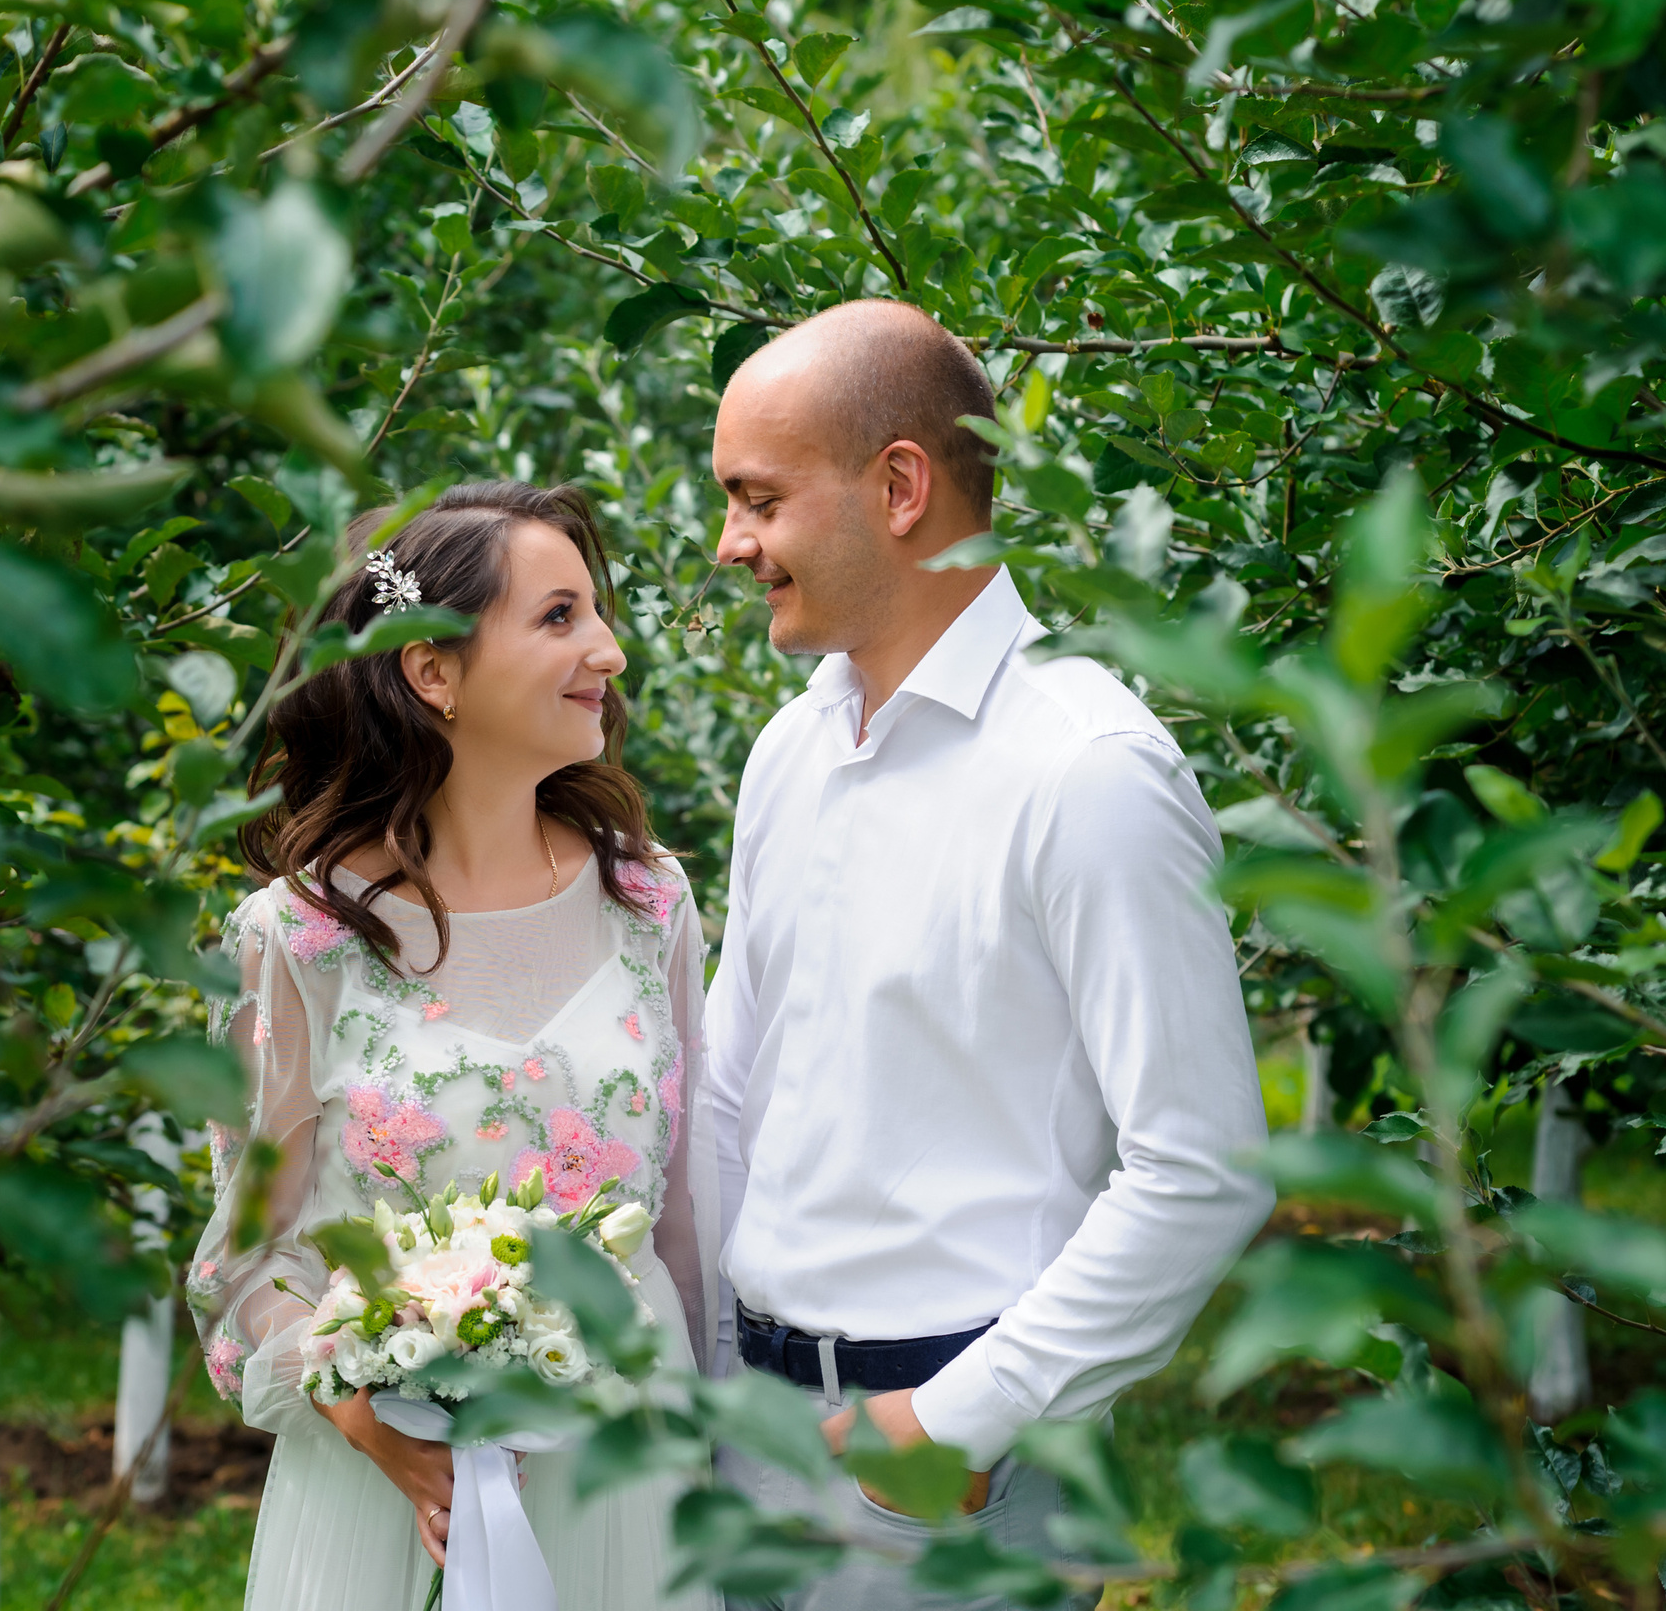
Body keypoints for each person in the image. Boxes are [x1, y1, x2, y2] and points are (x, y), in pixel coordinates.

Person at [703, 300, 1275, 1609]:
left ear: (899, 486)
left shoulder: (1086, 771)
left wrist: (960, 1422)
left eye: (758, 499)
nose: (732, 544)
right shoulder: (790, 750)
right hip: (751, 1433)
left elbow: (1205, 1167)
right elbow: (738, 1087)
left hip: (947, 1483)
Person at [189, 481, 719, 1611]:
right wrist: (366, 1416)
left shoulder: (650, 902)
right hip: (387, 1507)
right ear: (432, 670)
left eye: (597, 614)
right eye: (560, 617)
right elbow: (242, 1271)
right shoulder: (302, 939)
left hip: (630, 1481)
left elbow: (687, 1229)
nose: (610, 652)